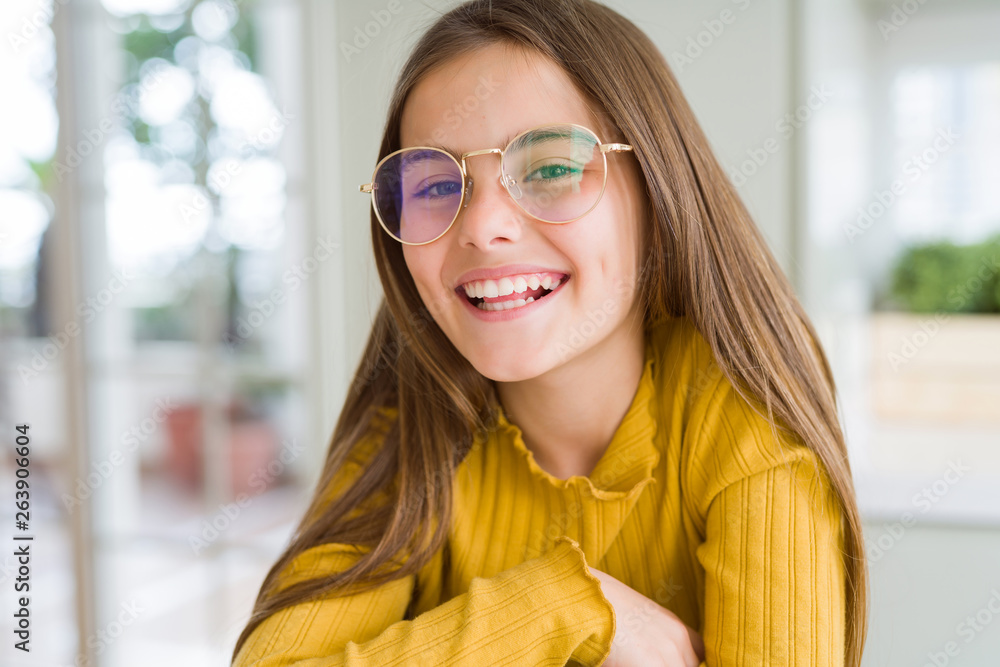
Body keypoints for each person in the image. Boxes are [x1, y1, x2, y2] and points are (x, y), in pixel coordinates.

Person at [232, 0, 868, 665]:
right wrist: (564, 603)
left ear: (658, 185)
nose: (481, 226)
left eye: (552, 169)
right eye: (433, 185)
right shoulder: (411, 419)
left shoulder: (742, 408)